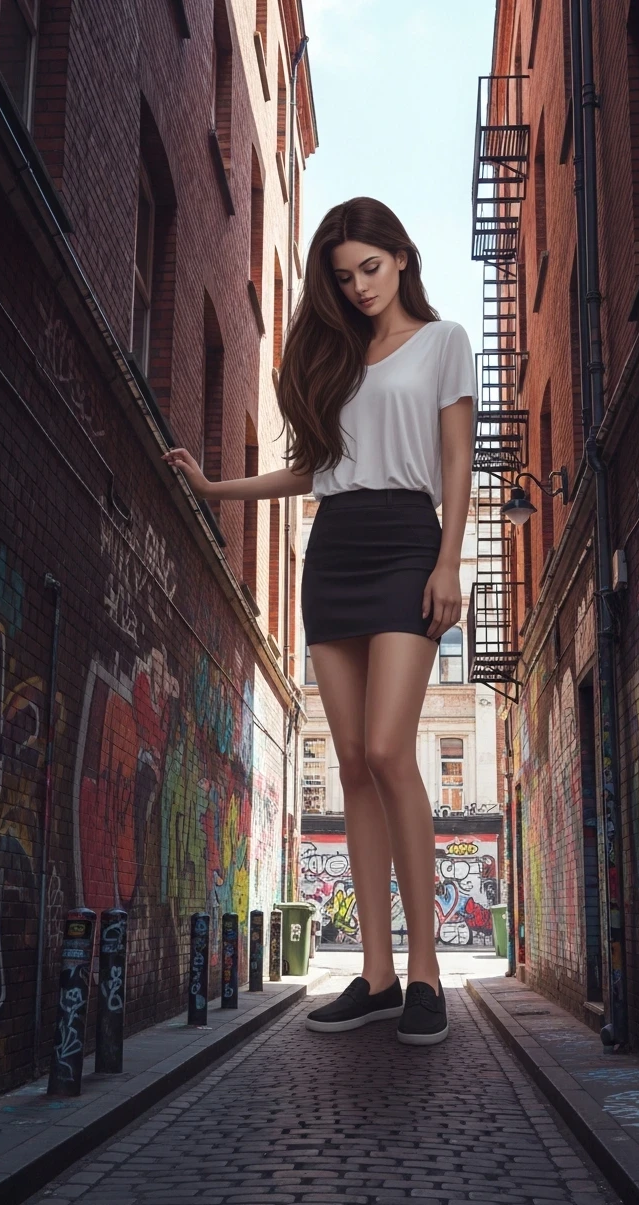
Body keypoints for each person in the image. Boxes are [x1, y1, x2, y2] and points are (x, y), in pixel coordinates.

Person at [162, 196, 475, 1046]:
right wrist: (217, 489)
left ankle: (426, 974)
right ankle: (375, 975)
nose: (360, 286)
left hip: (408, 543)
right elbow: (315, 471)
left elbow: (456, 461)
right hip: (335, 551)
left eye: (371, 267)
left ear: (401, 258)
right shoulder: (338, 359)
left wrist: (449, 562)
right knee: (352, 763)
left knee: (389, 749)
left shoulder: (444, 342)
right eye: (343, 277)